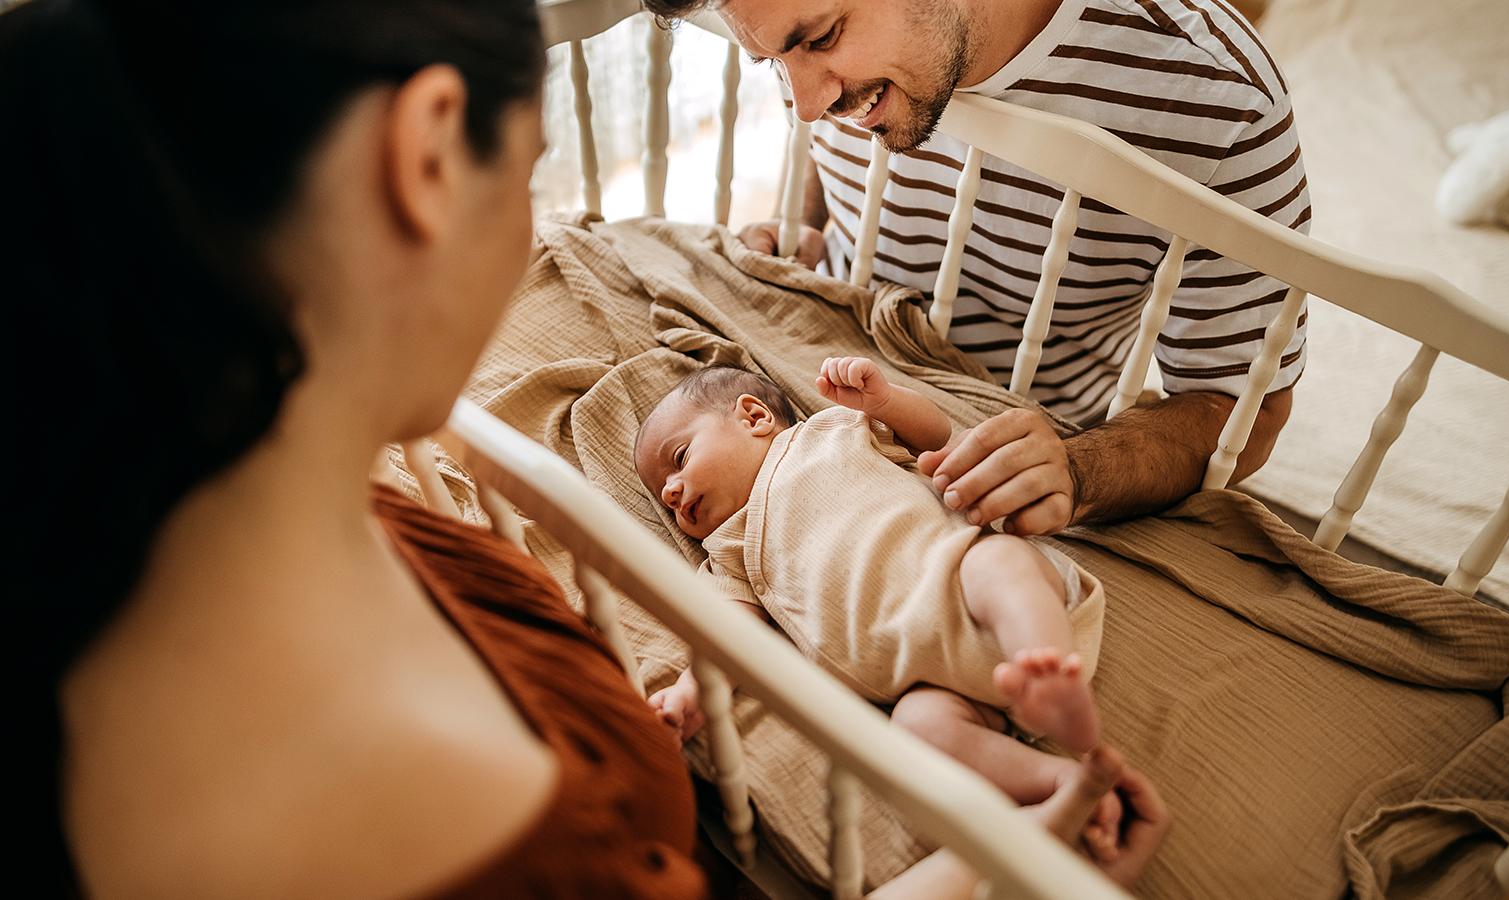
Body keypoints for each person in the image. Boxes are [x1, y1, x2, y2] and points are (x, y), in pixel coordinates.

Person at [5, 0, 1168, 895]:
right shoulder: (538, 845)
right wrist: (1006, 861)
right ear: (425, 158)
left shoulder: (204, 498)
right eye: (529, 172)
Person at [641, 0, 1308, 535]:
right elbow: (826, 123)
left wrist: (1077, 471)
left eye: (820, 38)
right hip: (822, 377)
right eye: (771, 61)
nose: (805, 103)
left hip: (997, 439)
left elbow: (1247, 405)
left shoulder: (1221, 101)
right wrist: (814, 231)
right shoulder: (831, 74)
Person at [635, 362, 1121, 857]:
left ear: (755, 416)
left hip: (965, 582)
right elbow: (729, 635)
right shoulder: (727, 550)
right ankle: (1061, 782)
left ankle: (1049, 668)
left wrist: (884, 400)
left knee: (996, 564)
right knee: (916, 729)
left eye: (679, 458)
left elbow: (933, 436)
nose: (672, 492)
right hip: (932, 681)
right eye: (663, 498)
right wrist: (689, 692)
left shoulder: (831, 431)